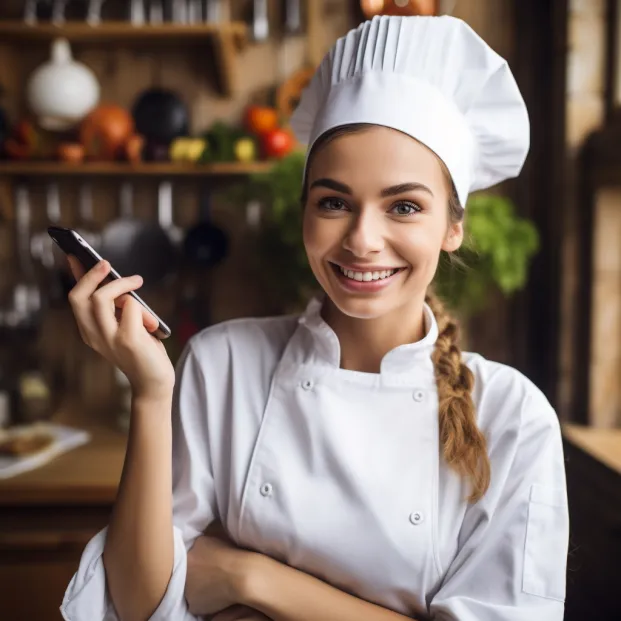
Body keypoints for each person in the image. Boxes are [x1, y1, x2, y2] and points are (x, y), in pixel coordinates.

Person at [60, 14, 569, 621]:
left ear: (453, 228)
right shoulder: (222, 363)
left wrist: (250, 576)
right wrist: (149, 390)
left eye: (404, 206)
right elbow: (139, 605)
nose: (363, 240)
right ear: (304, 212)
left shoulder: (512, 417)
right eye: (334, 202)